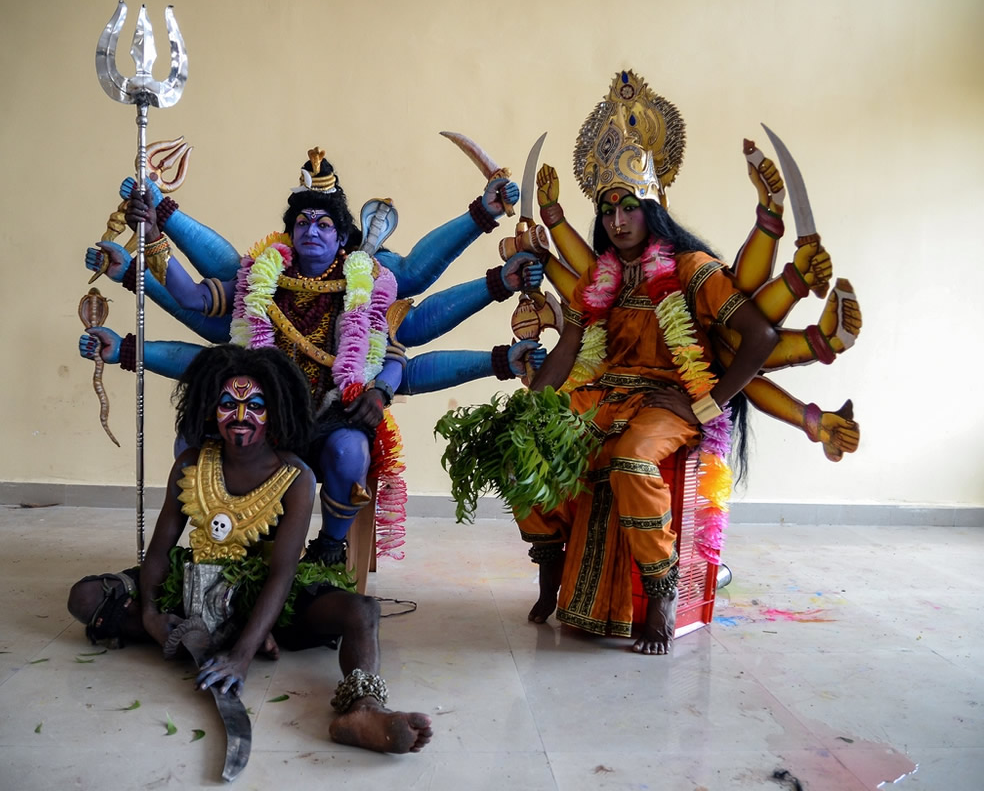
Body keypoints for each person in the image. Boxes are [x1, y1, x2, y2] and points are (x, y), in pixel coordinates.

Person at [80, 148, 544, 564]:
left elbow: (397, 351)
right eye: (302, 223)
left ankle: (328, 547)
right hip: (258, 414)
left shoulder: (366, 283)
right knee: (191, 442)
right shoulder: (259, 277)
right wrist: (154, 234)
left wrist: (380, 392)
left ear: (342, 237)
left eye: (324, 224)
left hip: (329, 417)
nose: (312, 231)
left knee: (350, 450)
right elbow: (192, 297)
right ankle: (212, 540)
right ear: (289, 233)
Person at [515, 71, 779, 656]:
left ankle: (660, 593)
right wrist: (531, 405)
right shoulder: (601, 276)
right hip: (606, 395)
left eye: (628, 207)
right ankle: (549, 571)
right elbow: (567, 347)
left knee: (633, 463)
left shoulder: (692, 269)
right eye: (607, 210)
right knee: (522, 453)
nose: (616, 220)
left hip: (671, 401)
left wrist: (709, 401)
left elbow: (759, 335)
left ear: (652, 208)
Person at [67, 344, 433, 753]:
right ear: (209, 408)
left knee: (363, 611)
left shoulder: (296, 476)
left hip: (268, 603)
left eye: (255, 404)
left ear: (276, 410)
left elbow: (281, 574)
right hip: (193, 588)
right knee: (85, 596)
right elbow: (159, 551)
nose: (240, 417)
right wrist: (152, 614)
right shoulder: (191, 462)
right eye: (227, 404)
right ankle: (195, 636)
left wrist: (241, 656)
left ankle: (363, 710)